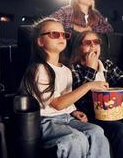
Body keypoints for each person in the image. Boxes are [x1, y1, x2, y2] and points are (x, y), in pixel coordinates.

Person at [20, 18, 110, 158]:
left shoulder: (66, 70)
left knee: (96, 131)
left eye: (64, 35)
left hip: (67, 117)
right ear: (40, 41)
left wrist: (74, 111)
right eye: (54, 34)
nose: (61, 37)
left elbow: (67, 100)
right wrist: (88, 86)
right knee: (76, 139)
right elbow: (58, 103)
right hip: (45, 120)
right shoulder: (39, 69)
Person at [71, 31, 123, 158]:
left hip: (111, 112)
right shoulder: (73, 69)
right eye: (88, 43)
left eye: (96, 42)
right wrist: (91, 69)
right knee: (120, 129)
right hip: (89, 115)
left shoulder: (106, 64)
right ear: (79, 48)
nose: (93, 46)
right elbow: (79, 99)